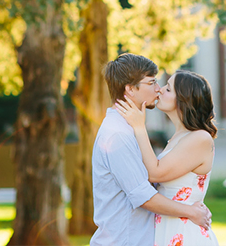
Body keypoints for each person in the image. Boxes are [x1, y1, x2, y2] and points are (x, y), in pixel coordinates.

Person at [92, 53, 212, 246]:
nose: (158, 89)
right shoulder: (118, 135)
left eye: (164, 86)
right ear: (130, 89)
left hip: (170, 233)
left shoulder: (131, 130)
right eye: (152, 83)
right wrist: (191, 210)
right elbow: (143, 196)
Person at [116, 69, 219, 246]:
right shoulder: (178, 137)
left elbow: (155, 173)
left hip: (185, 233)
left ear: (184, 100)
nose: (160, 90)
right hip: (168, 228)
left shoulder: (200, 138)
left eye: (168, 89)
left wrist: (140, 127)